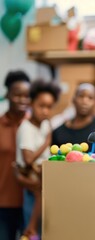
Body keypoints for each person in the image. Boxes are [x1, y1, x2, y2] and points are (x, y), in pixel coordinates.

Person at [16, 79, 61, 239]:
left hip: (43, 177)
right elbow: (27, 159)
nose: (46, 111)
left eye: (49, 107)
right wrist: (46, 143)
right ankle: (30, 228)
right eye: (41, 106)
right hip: (31, 177)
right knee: (33, 230)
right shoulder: (26, 128)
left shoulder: (44, 124)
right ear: (31, 103)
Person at [0, 70, 31, 240]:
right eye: (17, 95)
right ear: (7, 95)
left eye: (27, 95)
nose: (22, 100)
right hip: (3, 204)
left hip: (31, 202)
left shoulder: (36, 127)